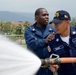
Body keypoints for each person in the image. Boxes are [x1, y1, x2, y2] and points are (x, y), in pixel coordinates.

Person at [24, 8, 55, 75]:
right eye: (44, 15)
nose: (47, 17)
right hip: (34, 68)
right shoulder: (29, 30)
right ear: (37, 17)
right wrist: (45, 41)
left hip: (49, 68)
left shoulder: (52, 30)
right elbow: (31, 44)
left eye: (47, 15)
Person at [48, 10, 76, 75]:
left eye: (58, 23)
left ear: (68, 22)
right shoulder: (52, 41)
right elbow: (53, 59)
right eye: (54, 23)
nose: (55, 26)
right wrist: (55, 66)